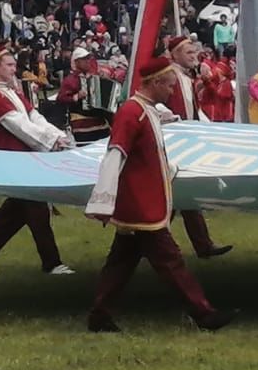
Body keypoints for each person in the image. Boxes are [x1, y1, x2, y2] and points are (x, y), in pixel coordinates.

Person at [84, 57, 233, 333]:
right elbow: (115, 154)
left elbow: (150, 154)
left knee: (120, 264)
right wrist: (103, 199)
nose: (171, 92)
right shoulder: (133, 112)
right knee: (171, 262)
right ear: (154, 83)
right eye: (169, 86)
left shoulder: (147, 110)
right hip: (141, 205)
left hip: (144, 202)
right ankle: (203, 313)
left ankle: (99, 315)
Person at [0, 47, 74, 277]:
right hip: (14, 158)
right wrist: (50, 141)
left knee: (14, 212)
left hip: (26, 157)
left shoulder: (12, 91)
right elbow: (18, 126)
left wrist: (57, 135)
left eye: (14, 65)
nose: (14, 69)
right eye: (9, 65)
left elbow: (34, 116)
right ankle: (52, 262)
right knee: (36, 209)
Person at [160, 35, 233, 258]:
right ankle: (150, 242)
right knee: (171, 195)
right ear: (174, 55)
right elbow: (155, 101)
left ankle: (202, 245)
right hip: (172, 141)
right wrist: (170, 118)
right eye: (188, 53)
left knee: (185, 194)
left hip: (186, 140)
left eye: (194, 52)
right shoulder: (168, 75)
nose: (194, 57)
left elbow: (193, 109)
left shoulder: (186, 77)